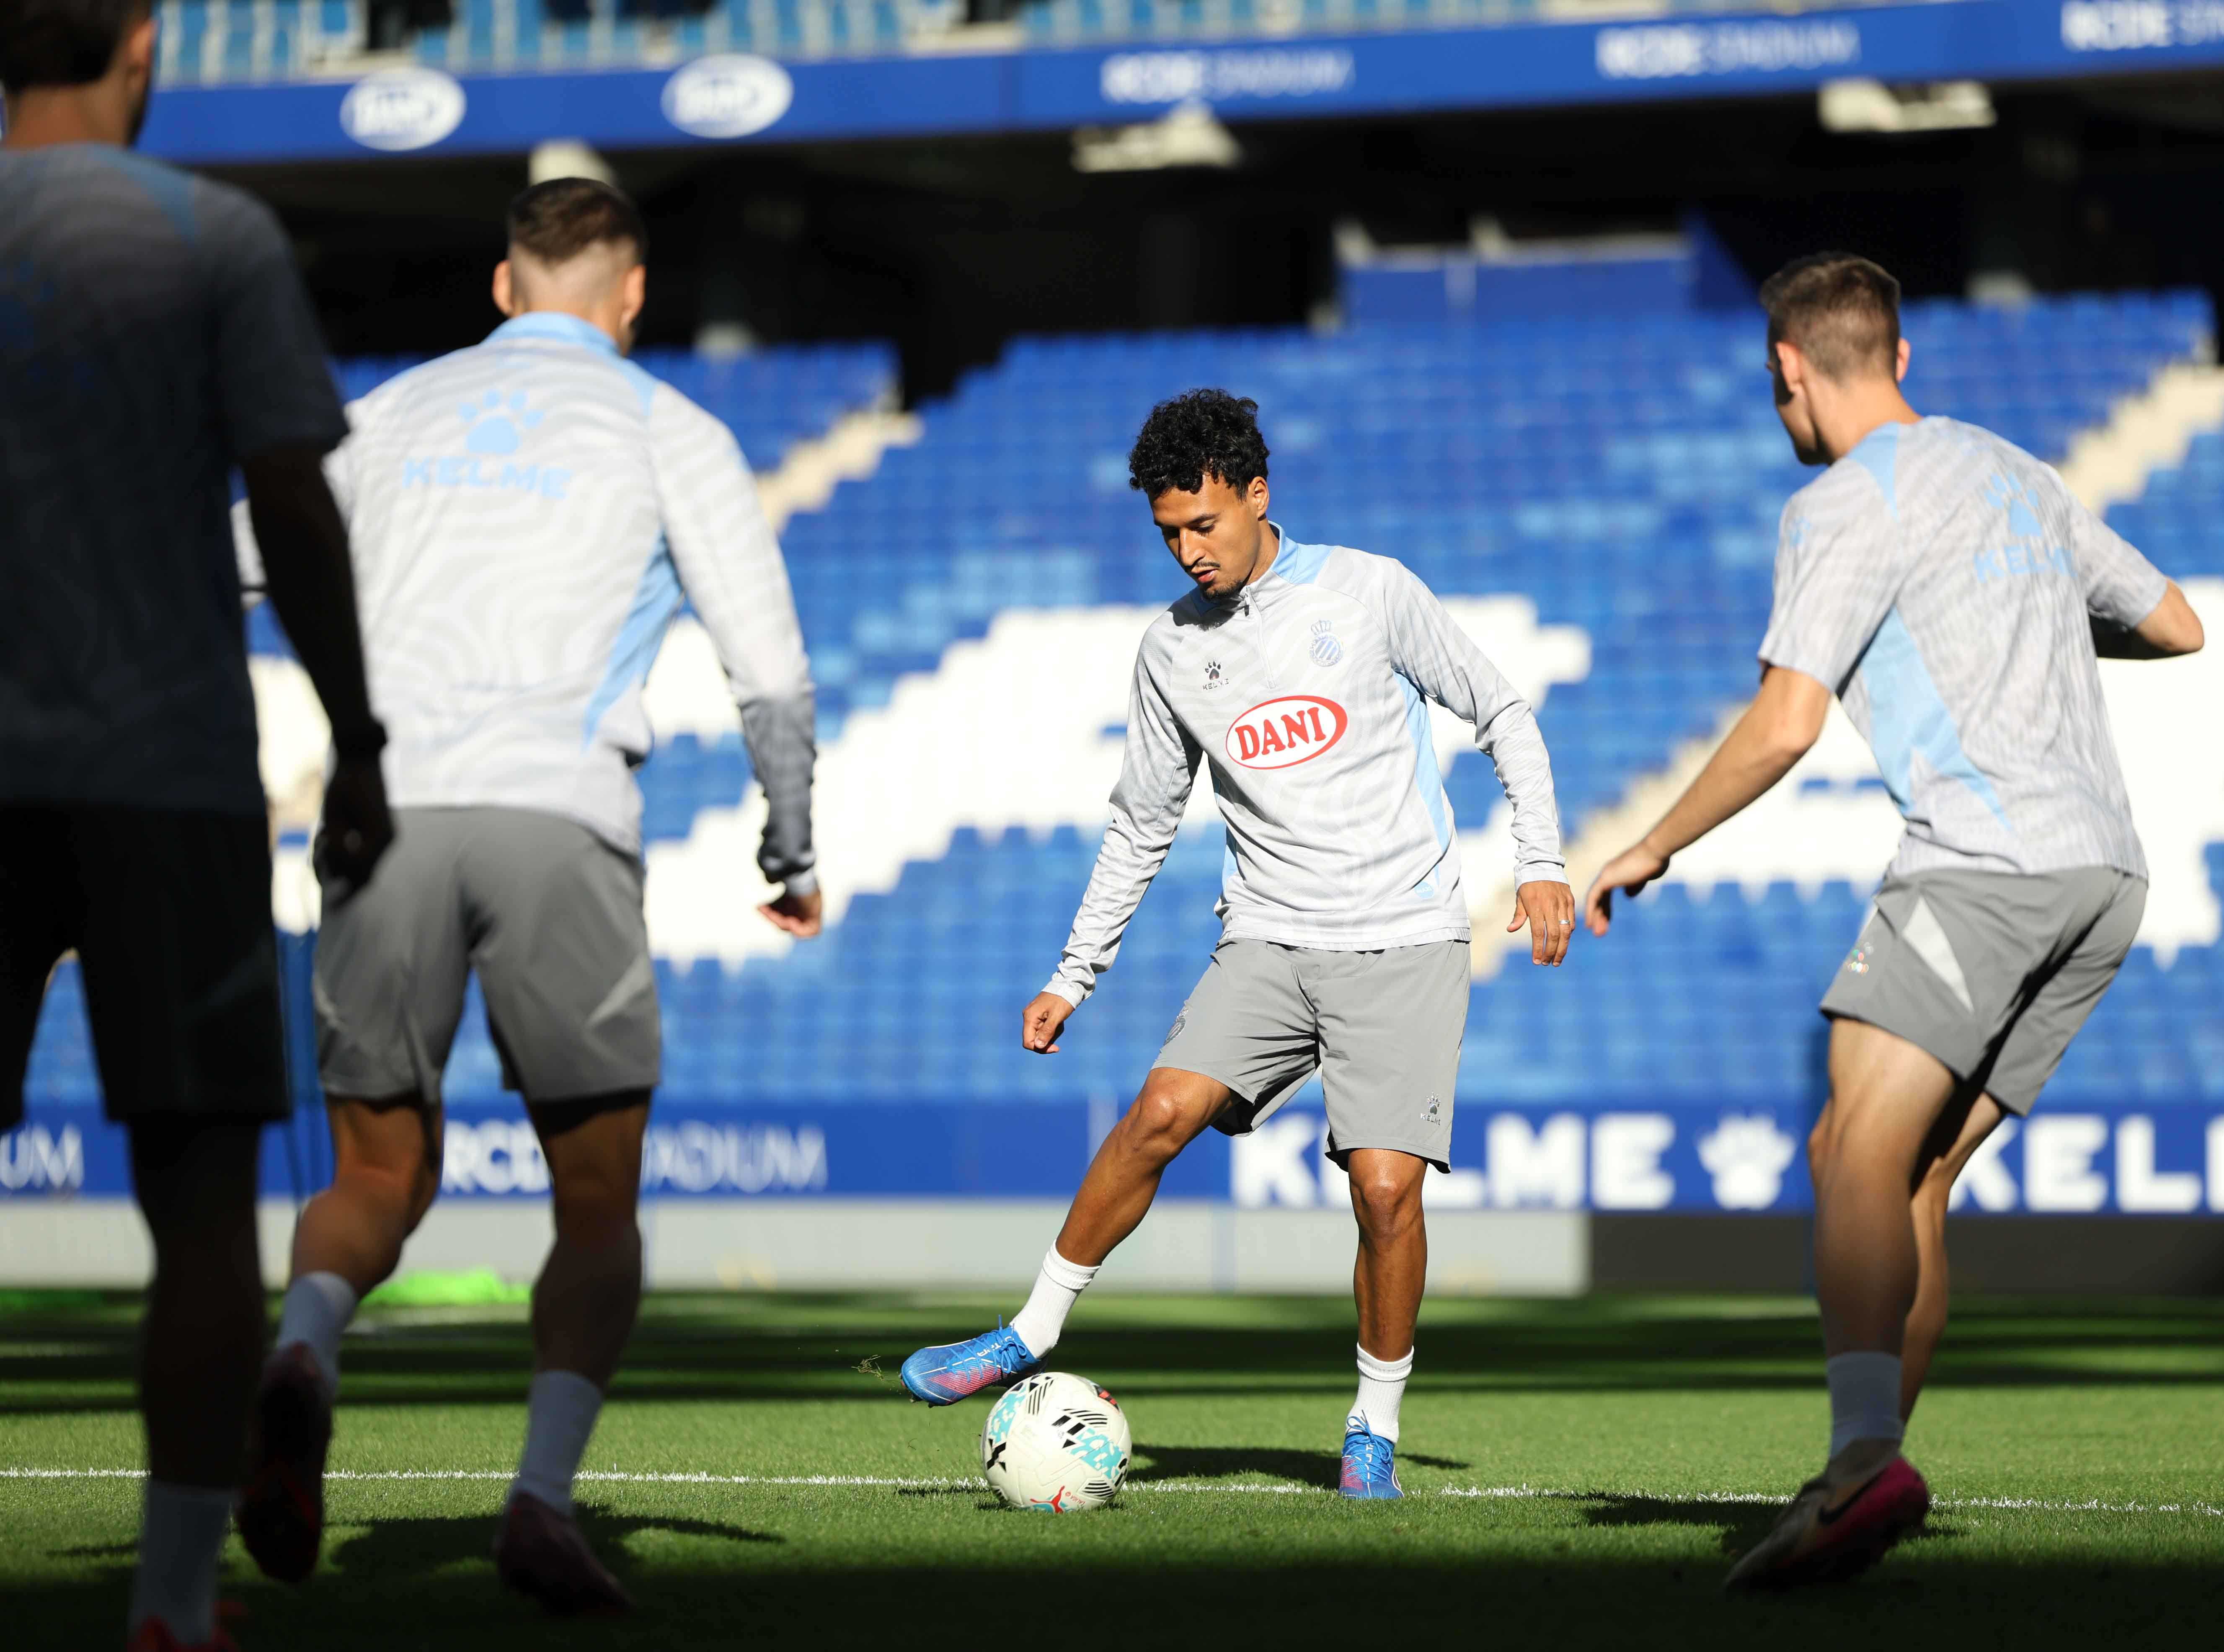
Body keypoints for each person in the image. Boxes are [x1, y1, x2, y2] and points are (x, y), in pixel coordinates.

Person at [227, 178, 822, 1616]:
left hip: (382, 812)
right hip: (558, 818)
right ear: (633, 298)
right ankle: (541, 1503)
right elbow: (768, 673)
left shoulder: (387, 416)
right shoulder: (670, 428)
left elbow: (237, 556)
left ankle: (303, 1350)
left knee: (374, 1178)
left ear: (503, 288)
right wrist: (790, 843)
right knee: (595, 1200)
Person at [1582, 254, 2205, 1587]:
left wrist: (1650, 841)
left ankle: (1862, 1457)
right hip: (2104, 875)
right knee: (1911, 1174)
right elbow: (2175, 625)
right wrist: (2017, 620)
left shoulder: (1839, 502)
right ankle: (1856, 1490)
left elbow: (1784, 723)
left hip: (1984, 861)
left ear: (1787, 371)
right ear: (1902, 357)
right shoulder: (2022, 476)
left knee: (1848, 1148)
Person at [898, 389, 1574, 1498]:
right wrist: (1072, 975)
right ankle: (1029, 1332)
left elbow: (1503, 712)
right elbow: (1140, 824)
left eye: (1203, 525)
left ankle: (1371, 1428)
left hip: (1400, 938)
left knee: (1384, 1193)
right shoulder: (1169, 649)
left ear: (1258, 495)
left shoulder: (1370, 591)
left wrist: (1540, 860)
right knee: (1159, 1113)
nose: (1188, 551)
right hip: (1266, 938)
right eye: (1168, 533)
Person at [0, 3, 395, 1648]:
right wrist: (357, 741)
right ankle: (171, 1605)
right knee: (201, 1210)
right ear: (145, 47)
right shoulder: (212, 234)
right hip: (167, 774)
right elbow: (292, 499)